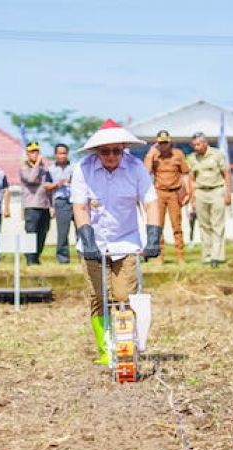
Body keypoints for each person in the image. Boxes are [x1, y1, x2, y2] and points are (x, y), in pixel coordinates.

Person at [71, 119, 161, 365]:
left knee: (124, 296)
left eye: (116, 151)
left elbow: (151, 202)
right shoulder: (82, 168)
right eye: (105, 151)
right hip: (93, 243)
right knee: (98, 296)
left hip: (126, 241)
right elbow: (79, 206)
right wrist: (86, 238)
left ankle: (124, 345)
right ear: (95, 152)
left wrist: (153, 237)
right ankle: (104, 350)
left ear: (123, 148)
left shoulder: (135, 168)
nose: (111, 156)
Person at [143, 130, 191, 265]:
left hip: (175, 193)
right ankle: (160, 256)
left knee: (177, 225)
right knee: (158, 226)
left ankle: (180, 256)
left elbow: (186, 173)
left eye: (166, 143)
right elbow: (145, 173)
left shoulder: (178, 154)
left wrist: (188, 192)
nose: (164, 145)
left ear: (170, 142)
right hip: (158, 193)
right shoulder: (154, 155)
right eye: (161, 143)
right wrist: (150, 154)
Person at [187, 132, 232, 267]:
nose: (196, 147)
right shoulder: (191, 158)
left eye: (198, 144)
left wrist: (228, 193)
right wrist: (192, 198)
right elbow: (191, 179)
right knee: (204, 225)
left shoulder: (217, 155)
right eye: (194, 145)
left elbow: (226, 174)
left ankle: (217, 256)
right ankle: (206, 255)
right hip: (200, 192)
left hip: (217, 191)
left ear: (205, 143)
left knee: (217, 224)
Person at [20, 141, 52, 265]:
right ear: (27, 154)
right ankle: (30, 258)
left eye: (37, 151)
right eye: (32, 152)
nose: (35, 154)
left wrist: (52, 205)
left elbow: (48, 187)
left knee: (42, 232)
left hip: (44, 205)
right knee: (31, 233)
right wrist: (38, 163)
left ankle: (37, 257)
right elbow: (31, 179)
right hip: (31, 206)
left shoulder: (45, 169)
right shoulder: (24, 167)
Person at [46, 143, 74, 264]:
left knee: (81, 230)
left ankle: (85, 257)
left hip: (75, 201)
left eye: (64, 153)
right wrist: (59, 183)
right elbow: (46, 186)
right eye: (60, 153)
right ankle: (63, 258)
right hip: (61, 201)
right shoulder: (51, 169)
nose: (62, 155)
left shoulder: (74, 167)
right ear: (55, 155)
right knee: (63, 232)